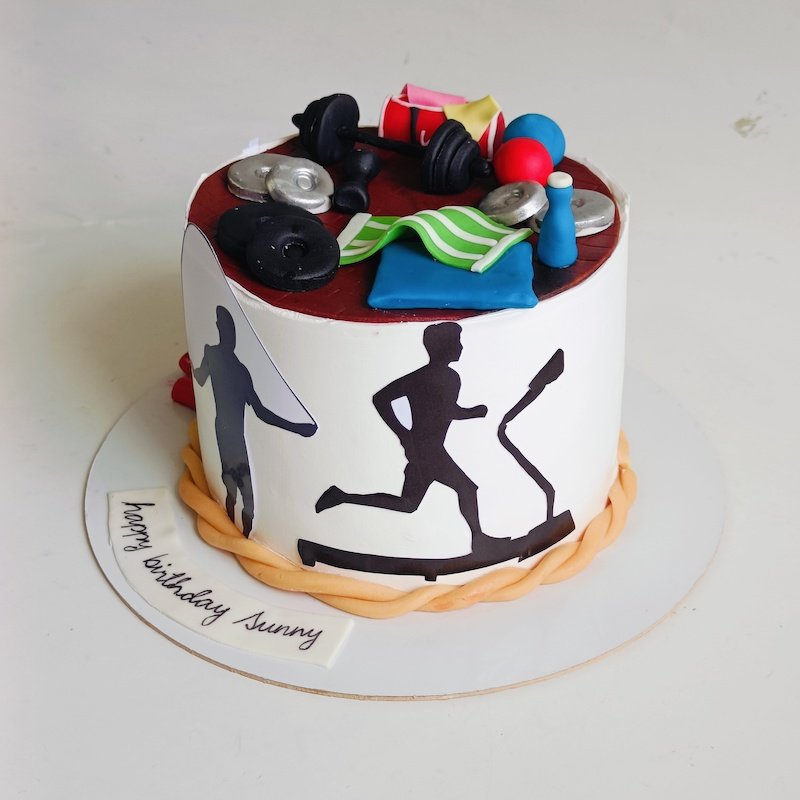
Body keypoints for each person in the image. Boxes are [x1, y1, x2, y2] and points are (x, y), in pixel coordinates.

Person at [316, 321, 498, 553]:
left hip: (424, 447)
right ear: (444, 347)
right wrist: (472, 413)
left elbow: (392, 401)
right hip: (429, 450)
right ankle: (479, 540)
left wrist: (405, 434)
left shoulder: (422, 376)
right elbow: (443, 411)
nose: (461, 347)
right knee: (466, 488)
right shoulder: (447, 377)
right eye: (457, 342)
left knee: (408, 504)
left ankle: (341, 496)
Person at [194, 305, 315, 537]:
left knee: (241, 493)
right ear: (219, 329)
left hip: (231, 435)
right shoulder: (224, 360)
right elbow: (200, 379)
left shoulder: (237, 368)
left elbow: (260, 412)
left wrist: (297, 427)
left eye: (231, 331)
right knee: (235, 490)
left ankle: (238, 534)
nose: (230, 336)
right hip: (226, 434)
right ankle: (233, 534)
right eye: (226, 329)